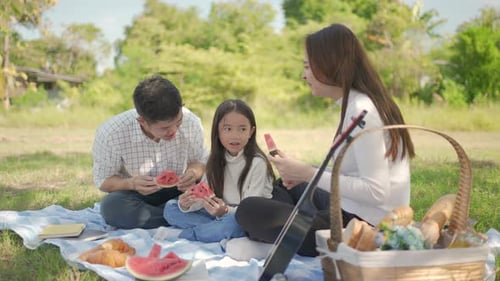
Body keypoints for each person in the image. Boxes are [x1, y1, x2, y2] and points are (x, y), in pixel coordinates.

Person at [235, 23, 415, 257]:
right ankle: (288, 235)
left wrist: (309, 173)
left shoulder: (362, 110)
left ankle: (280, 241)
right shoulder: (357, 103)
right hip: (350, 207)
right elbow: (352, 174)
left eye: (308, 67)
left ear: (330, 65)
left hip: (362, 227)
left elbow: (376, 191)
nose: (304, 75)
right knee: (286, 184)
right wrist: (303, 171)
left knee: (249, 209)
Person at [92, 75, 208, 229]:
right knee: (111, 207)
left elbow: (200, 161)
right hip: (138, 194)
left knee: (215, 185)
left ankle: (175, 214)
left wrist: (193, 173)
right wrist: (131, 183)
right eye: (165, 128)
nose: (174, 131)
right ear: (142, 121)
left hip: (181, 191)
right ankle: (180, 215)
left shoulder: (191, 121)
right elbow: (104, 181)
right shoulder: (111, 133)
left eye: (178, 122)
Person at [163, 99, 275, 242]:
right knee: (171, 208)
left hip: (246, 217)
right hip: (218, 213)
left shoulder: (257, 163)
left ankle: (187, 234)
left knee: (233, 225)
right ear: (218, 131)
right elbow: (204, 196)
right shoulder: (215, 158)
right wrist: (187, 204)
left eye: (242, 129)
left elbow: (251, 210)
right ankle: (214, 231)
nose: (235, 136)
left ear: (251, 132)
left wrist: (225, 212)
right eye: (228, 129)